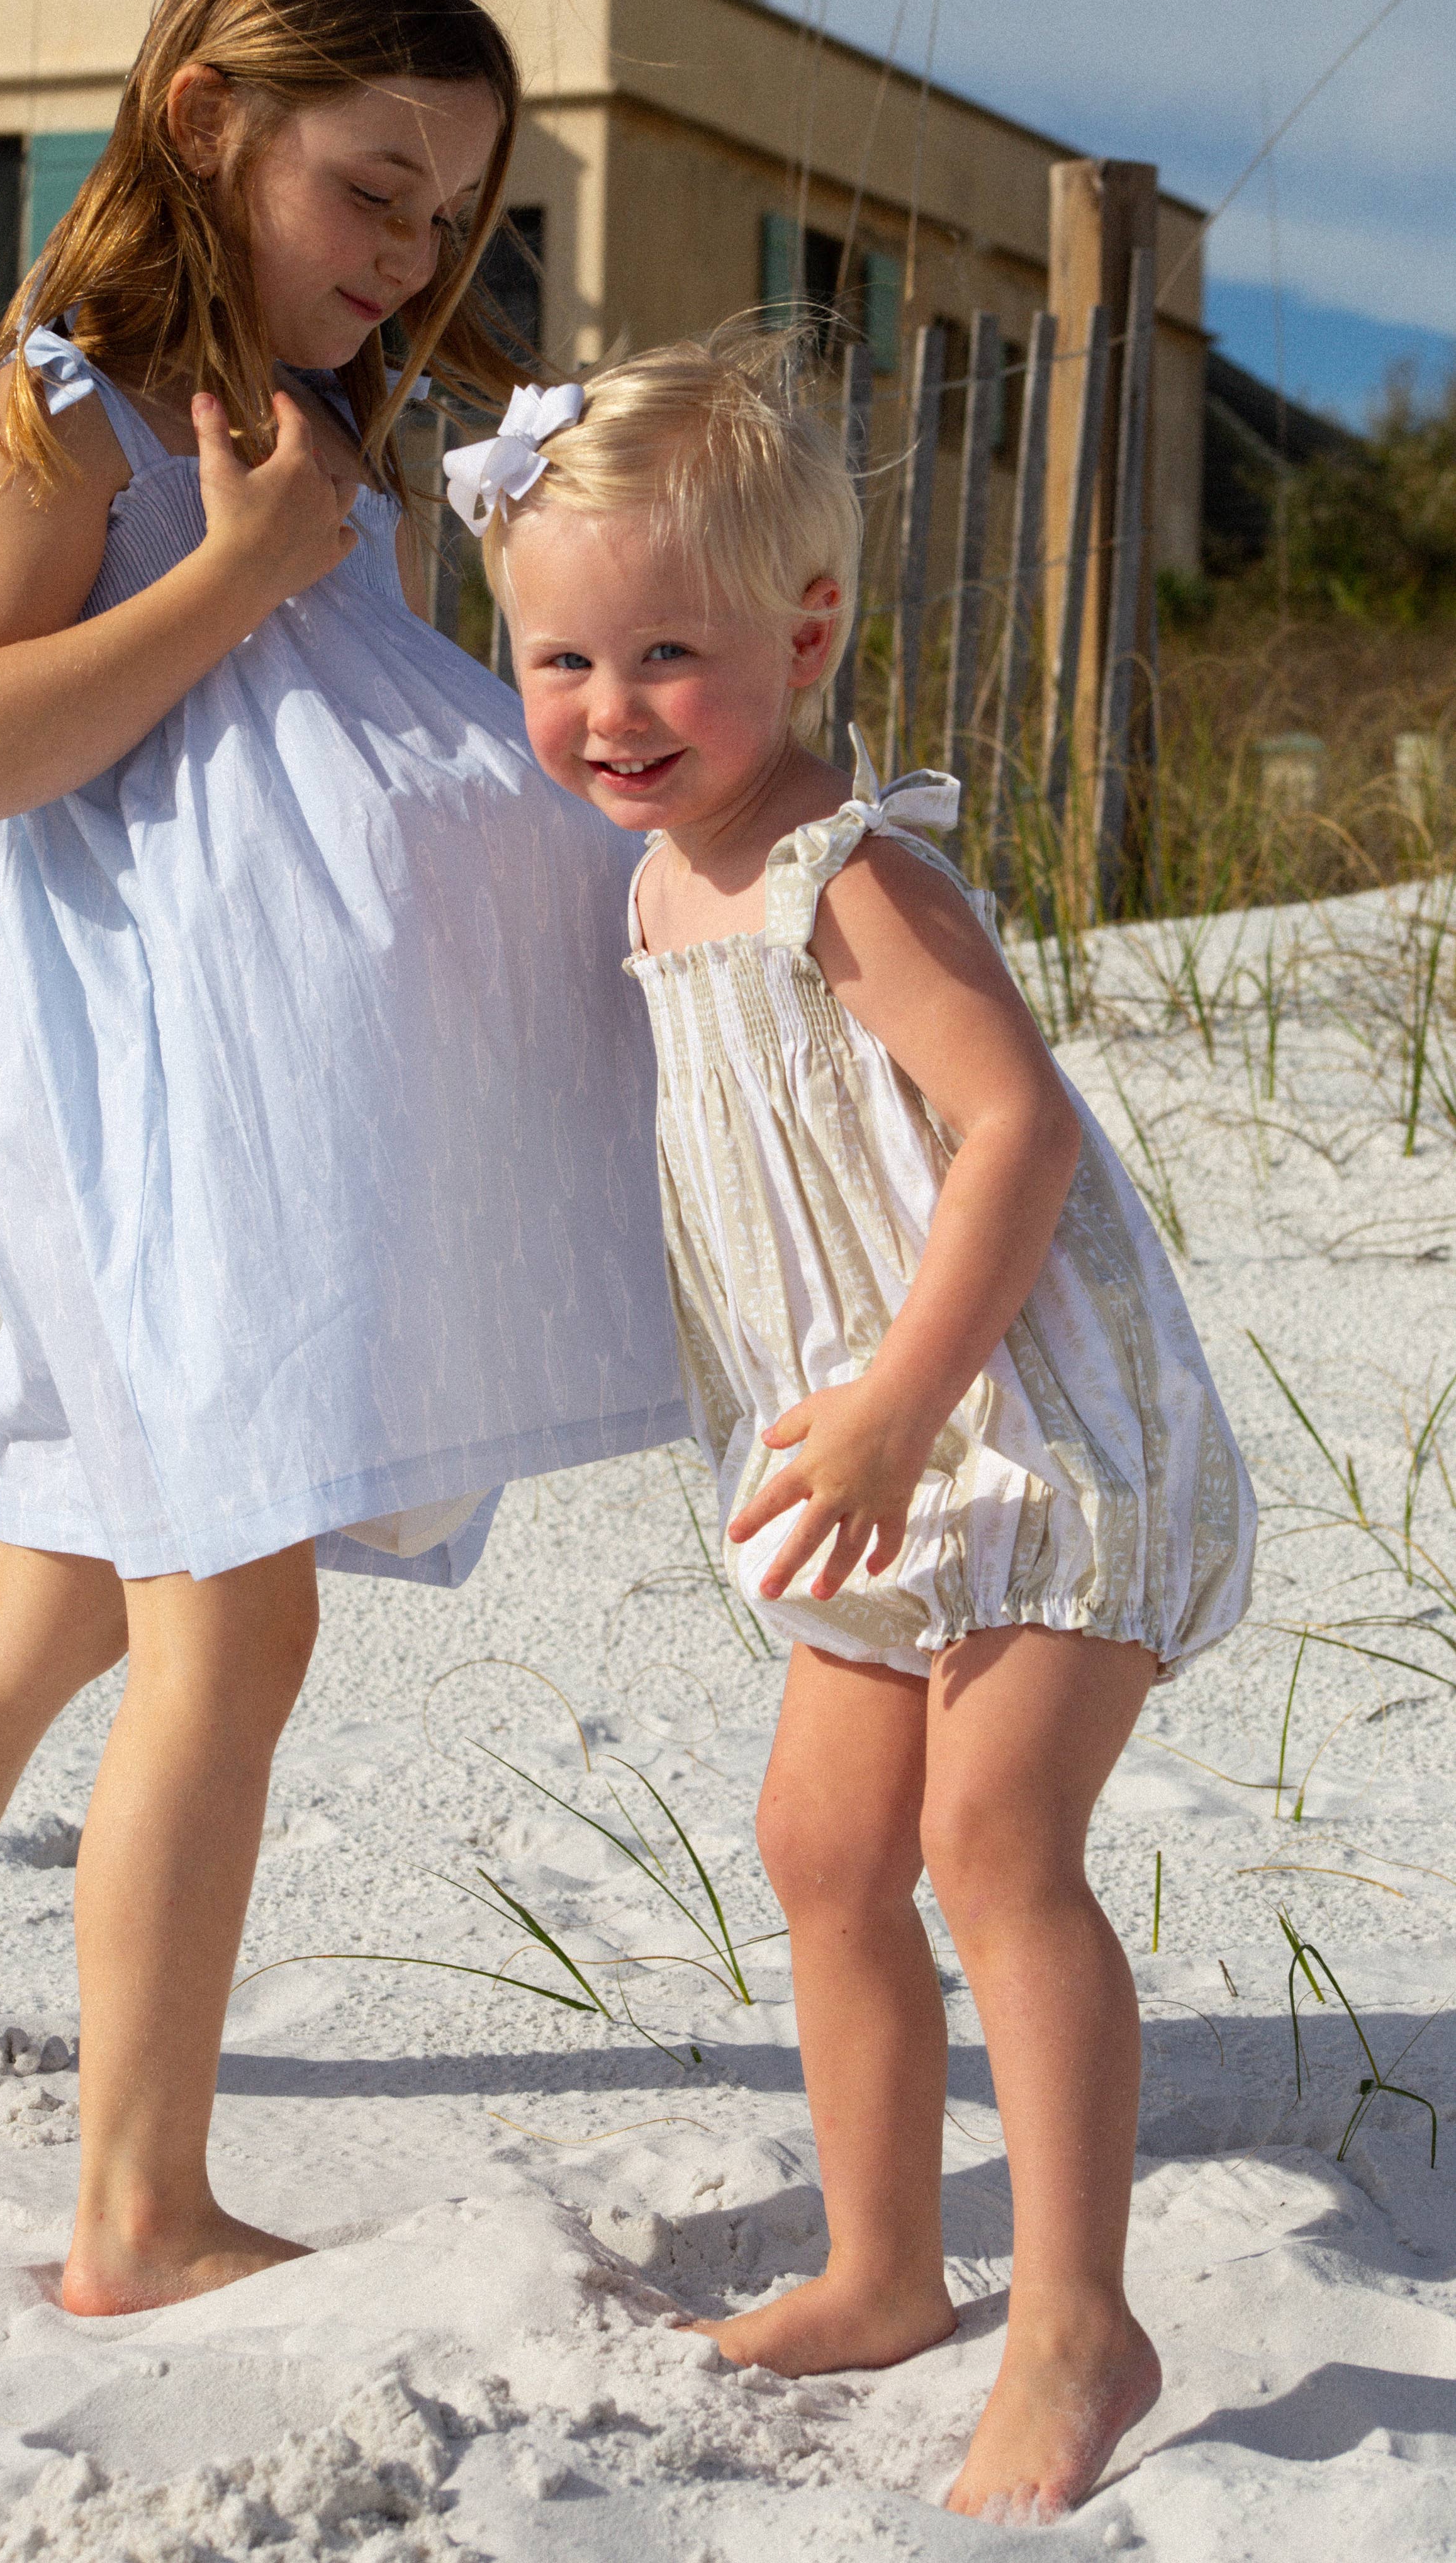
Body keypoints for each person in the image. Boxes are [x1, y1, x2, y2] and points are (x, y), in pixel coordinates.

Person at [0, 0, 685, 2316]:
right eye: (370, 190)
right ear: (206, 120)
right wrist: (245, 568)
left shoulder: (330, 441)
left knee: (60, 1581)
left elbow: (334, 780)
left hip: (230, 1103)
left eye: (449, 215)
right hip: (134, 1111)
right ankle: (135, 2207)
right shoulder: (64, 405)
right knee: (231, 1622)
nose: (409, 254)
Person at [454, 329, 1256, 2523]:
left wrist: (908, 1398)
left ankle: (1079, 2322)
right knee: (823, 1849)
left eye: (669, 656)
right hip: (867, 1456)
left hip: (1036, 1437)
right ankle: (888, 2264)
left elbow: (1021, 1130)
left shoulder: (846, 876)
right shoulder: (656, 885)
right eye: (561, 660)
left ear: (805, 637)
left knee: (992, 1844)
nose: (611, 708)